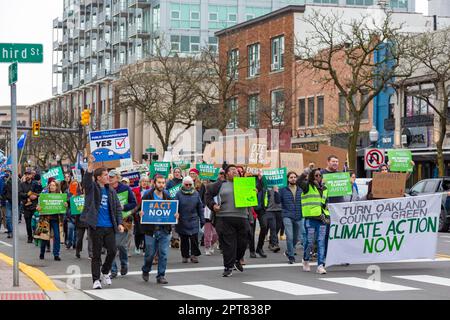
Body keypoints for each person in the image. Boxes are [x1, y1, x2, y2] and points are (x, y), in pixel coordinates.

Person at [80, 154, 125, 290]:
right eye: (105, 175)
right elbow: (86, 181)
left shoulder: (111, 191)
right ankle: (96, 280)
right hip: (96, 226)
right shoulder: (92, 188)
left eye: (108, 175)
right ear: (99, 177)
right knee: (96, 254)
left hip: (109, 227)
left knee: (112, 251)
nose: (108, 177)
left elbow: (117, 208)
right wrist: (90, 166)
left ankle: (105, 272)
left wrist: (120, 223)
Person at [205, 165, 251, 277]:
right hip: (225, 217)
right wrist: (213, 205)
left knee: (243, 243)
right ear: (226, 173)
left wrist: (253, 191)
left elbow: (252, 197)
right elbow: (208, 195)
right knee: (228, 244)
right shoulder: (220, 184)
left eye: (236, 170)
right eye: (231, 170)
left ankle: (237, 259)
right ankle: (228, 267)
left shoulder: (245, 183)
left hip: (242, 217)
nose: (235, 172)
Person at [140, 175, 179, 284]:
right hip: (150, 230)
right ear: (154, 183)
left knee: (163, 254)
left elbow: (172, 209)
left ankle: (161, 275)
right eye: (159, 182)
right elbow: (140, 209)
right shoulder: (147, 195)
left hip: (164, 230)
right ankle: (146, 270)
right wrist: (141, 213)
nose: (161, 185)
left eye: (163, 183)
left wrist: (175, 215)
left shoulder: (167, 195)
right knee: (149, 255)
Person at [298, 169, 330, 274]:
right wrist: (305, 173)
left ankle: (320, 265)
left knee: (321, 242)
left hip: (322, 219)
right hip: (311, 219)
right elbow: (298, 182)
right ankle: (305, 259)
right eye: (316, 175)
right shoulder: (307, 186)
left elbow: (325, 204)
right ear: (312, 176)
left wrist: (327, 216)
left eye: (320, 175)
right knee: (310, 241)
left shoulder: (325, 188)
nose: (318, 177)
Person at [108, 169, 137, 278]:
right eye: (109, 177)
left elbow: (133, 203)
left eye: (112, 177)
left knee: (120, 245)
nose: (110, 178)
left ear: (117, 178)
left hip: (124, 220)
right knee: (111, 246)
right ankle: (113, 270)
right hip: (110, 220)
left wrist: (123, 207)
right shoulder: (106, 188)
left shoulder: (125, 188)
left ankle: (124, 263)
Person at [175, 176, 205, 263]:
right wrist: (176, 216)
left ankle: (194, 255)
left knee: (194, 239)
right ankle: (185, 255)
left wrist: (202, 219)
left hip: (193, 219)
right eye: (186, 184)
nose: (188, 186)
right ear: (183, 184)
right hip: (182, 220)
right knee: (184, 239)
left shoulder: (196, 193)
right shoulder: (178, 194)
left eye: (190, 184)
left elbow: (200, 207)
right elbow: (175, 206)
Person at [35, 180, 66, 261]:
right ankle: (42, 253)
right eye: (50, 185)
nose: (52, 187)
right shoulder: (44, 195)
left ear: (57, 187)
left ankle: (56, 254)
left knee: (57, 236)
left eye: (53, 185)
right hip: (45, 219)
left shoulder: (60, 196)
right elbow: (39, 206)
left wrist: (66, 205)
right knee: (44, 238)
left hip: (56, 219)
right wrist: (38, 208)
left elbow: (64, 207)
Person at [279, 171, 304, 263]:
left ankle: (289, 251)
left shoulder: (301, 189)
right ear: (288, 179)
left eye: (294, 177)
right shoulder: (282, 190)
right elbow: (278, 201)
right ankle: (291, 256)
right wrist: (276, 192)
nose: (293, 179)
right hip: (287, 215)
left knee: (297, 238)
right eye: (291, 177)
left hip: (299, 215)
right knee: (289, 236)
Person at [132, 176, 151, 255]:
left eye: (146, 181)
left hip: (147, 212)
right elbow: (133, 201)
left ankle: (145, 248)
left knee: (146, 231)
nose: (144, 183)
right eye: (143, 181)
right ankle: (137, 246)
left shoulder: (150, 190)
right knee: (138, 231)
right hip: (137, 212)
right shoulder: (135, 190)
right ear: (140, 182)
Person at [19, 169, 38, 243]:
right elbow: (20, 194)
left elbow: (40, 192)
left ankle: (36, 235)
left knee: (35, 223)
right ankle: (29, 236)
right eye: (26, 174)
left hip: (34, 206)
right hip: (26, 206)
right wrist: (28, 196)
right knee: (28, 223)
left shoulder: (35, 183)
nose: (27, 176)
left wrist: (36, 196)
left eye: (28, 174)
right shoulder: (22, 184)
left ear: (31, 175)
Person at [1, 169, 13, 238]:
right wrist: (5, 199)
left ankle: (12, 231)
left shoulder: (17, 181)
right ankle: (10, 231)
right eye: (6, 172)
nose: (7, 173)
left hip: (15, 202)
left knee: (14, 219)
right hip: (7, 202)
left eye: (8, 172)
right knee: (8, 217)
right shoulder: (4, 182)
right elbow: (3, 192)